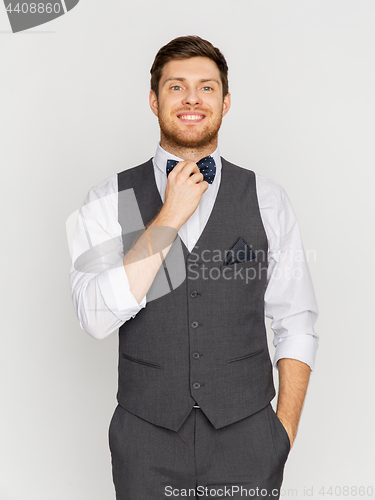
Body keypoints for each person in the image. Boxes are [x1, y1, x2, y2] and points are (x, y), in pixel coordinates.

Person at [69, 35, 319, 499]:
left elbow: (295, 319)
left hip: (247, 441)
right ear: (153, 99)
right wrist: (168, 217)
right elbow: (95, 319)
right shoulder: (107, 199)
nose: (191, 99)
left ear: (225, 102)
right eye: (175, 86)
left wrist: (280, 434)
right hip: (145, 444)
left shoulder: (268, 199)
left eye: (206, 88)